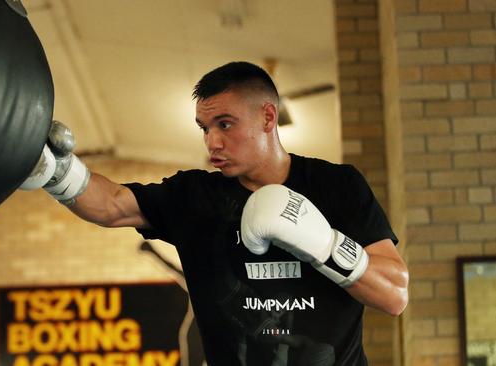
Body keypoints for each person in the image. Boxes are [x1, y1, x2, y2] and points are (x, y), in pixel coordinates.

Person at [21, 61, 409, 365]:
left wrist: (324, 244)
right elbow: (112, 205)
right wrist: (59, 173)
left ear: (268, 118)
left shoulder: (337, 186)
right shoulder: (195, 196)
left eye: (225, 124)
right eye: (204, 128)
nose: (212, 142)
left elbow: (394, 296)